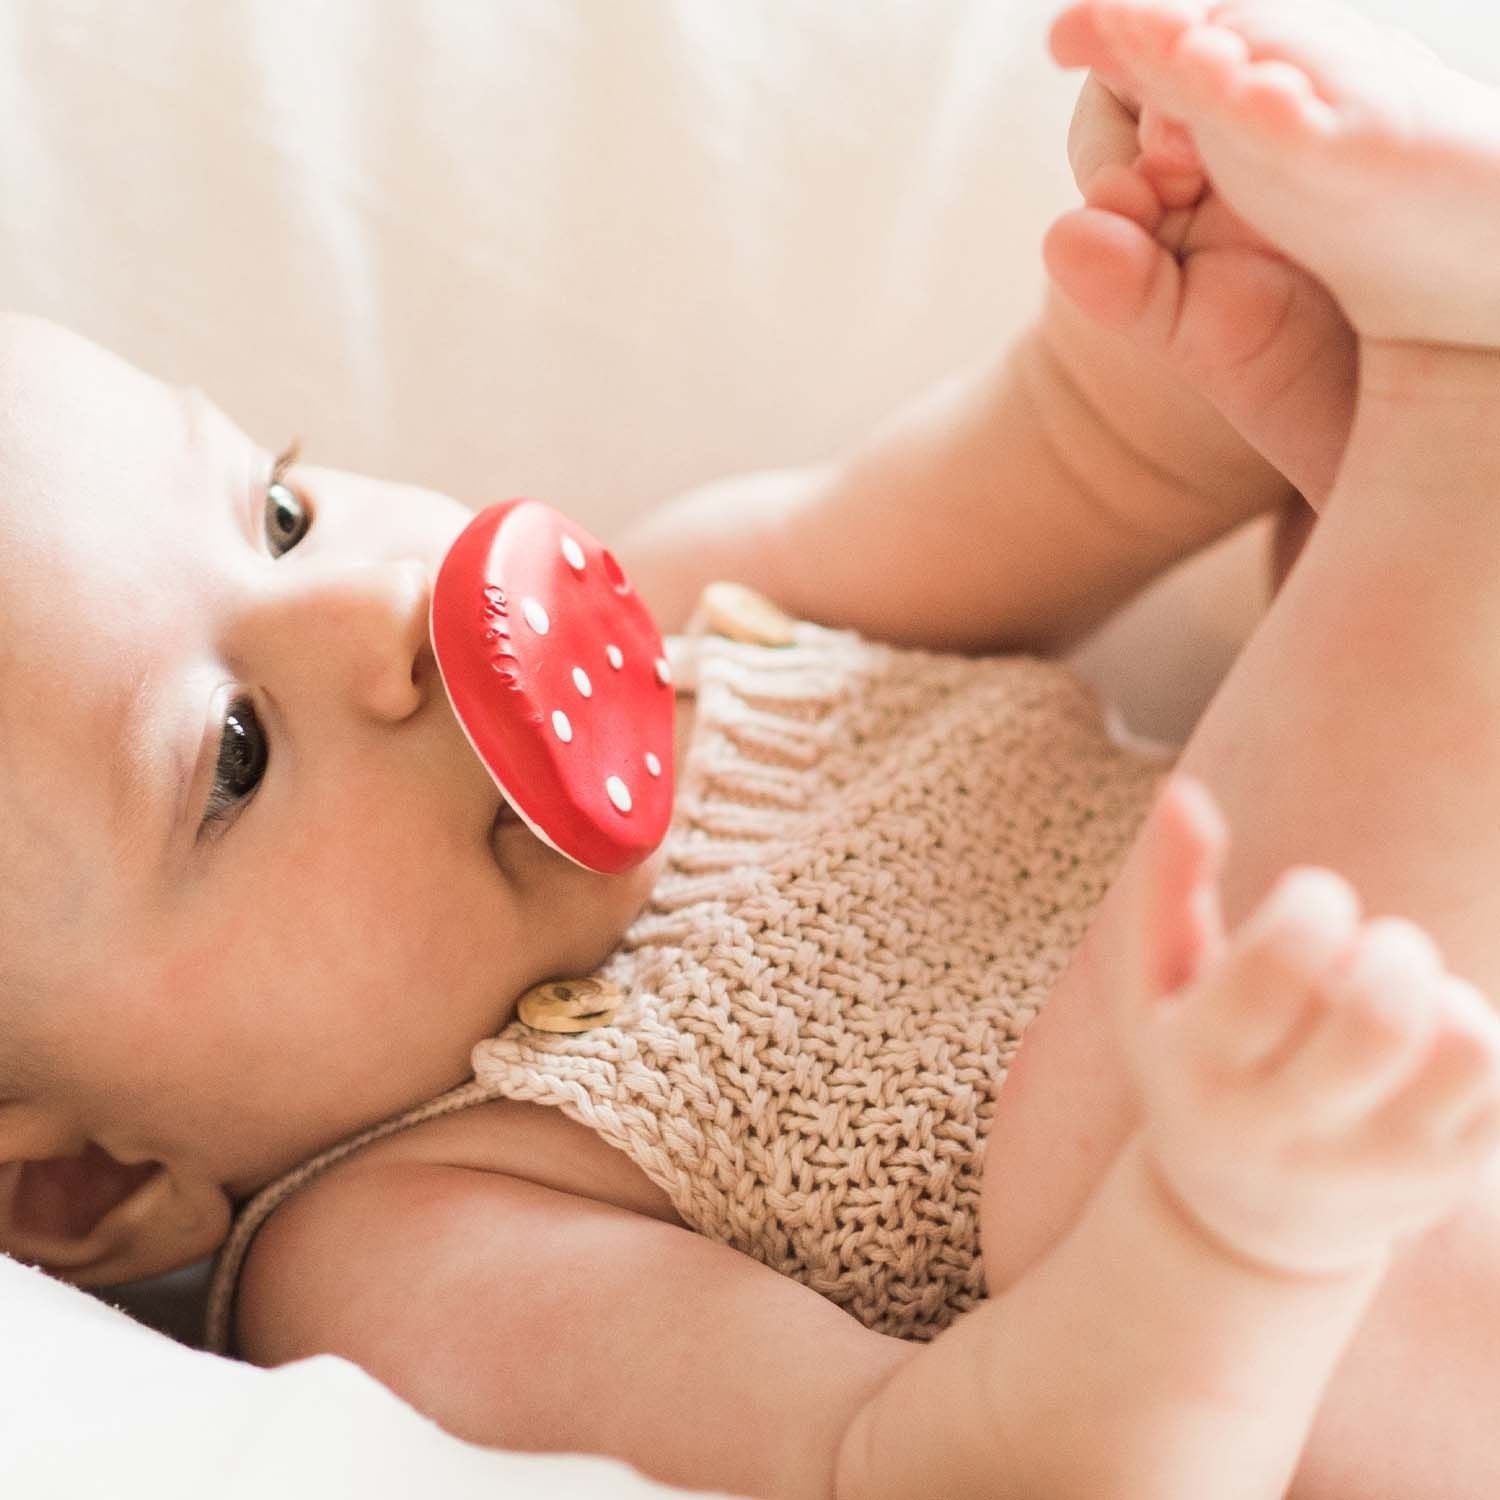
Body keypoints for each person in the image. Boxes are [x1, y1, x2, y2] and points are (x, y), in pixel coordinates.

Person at [3, 2, 1499, 1497]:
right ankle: (1455, 405)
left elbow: (1089, 458)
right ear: (94, 1179)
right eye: (237, 755)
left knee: (1320, 506)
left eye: (280, 515)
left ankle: (1428, 406)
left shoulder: (694, 616)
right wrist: (1228, 1226)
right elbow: (933, 1474)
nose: (380, 607)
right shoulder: (406, 1243)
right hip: (1378, 1279)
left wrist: (1197, 272)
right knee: (1084, 1164)